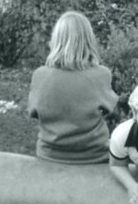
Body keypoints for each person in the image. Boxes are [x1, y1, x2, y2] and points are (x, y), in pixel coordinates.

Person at [27, 11, 119, 164]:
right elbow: (109, 109)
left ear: (56, 40)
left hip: (50, 156)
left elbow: (33, 113)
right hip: (94, 156)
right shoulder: (102, 74)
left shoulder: (40, 75)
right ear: (89, 40)